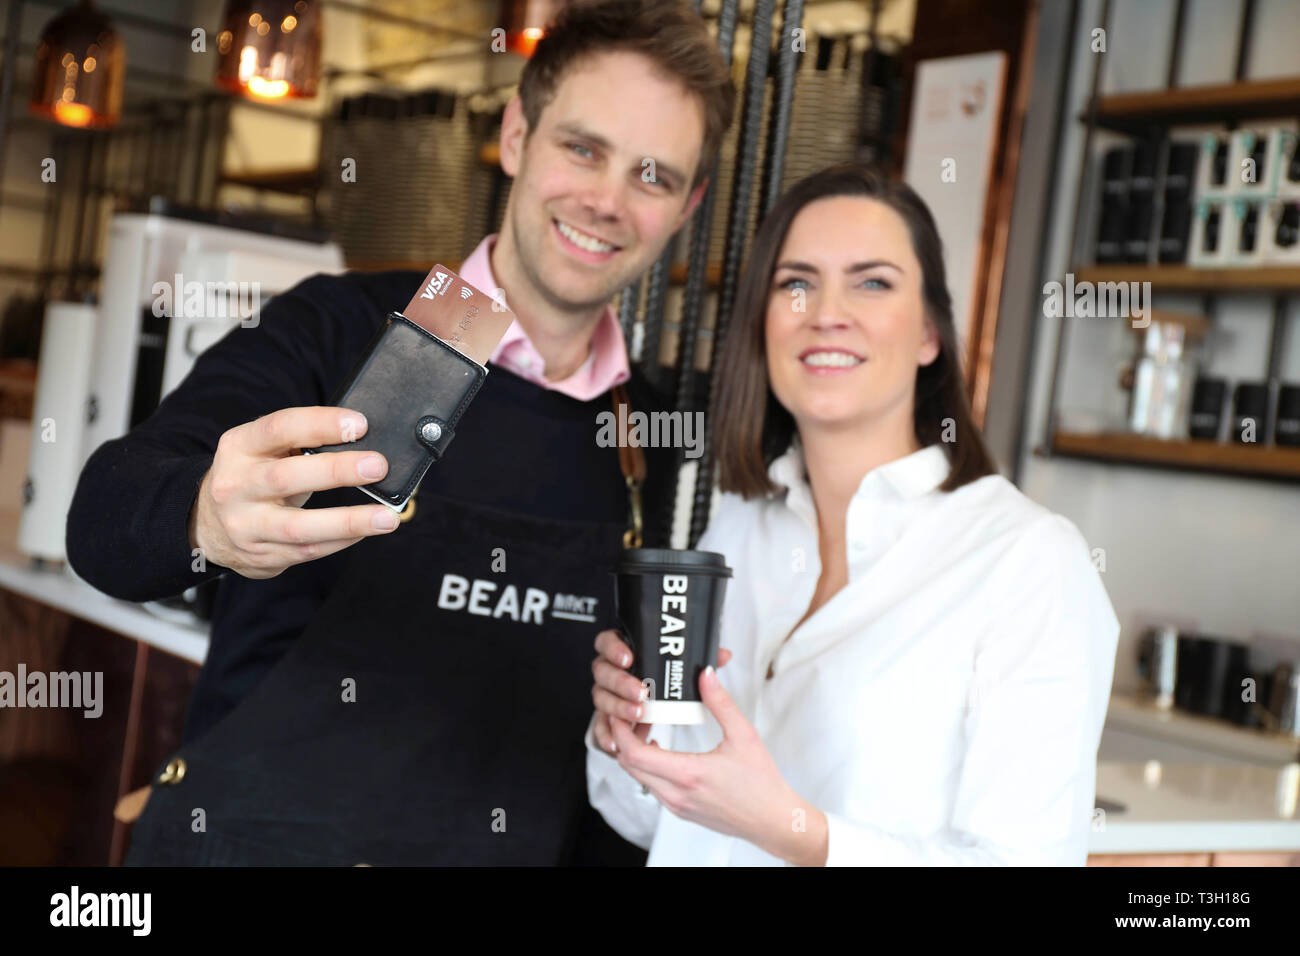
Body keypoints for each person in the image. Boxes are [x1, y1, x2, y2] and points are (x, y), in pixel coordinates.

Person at [65, 0, 735, 866]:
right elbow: (104, 522)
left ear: (689, 206)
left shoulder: (660, 435)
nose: (607, 200)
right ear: (517, 135)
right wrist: (201, 516)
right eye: (583, 147)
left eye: (653, 174)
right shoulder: (341, 330)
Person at [585, 163, 1120, 866]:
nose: (826, 312)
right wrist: (626, 736)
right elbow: (655, 825)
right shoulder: (738, 528)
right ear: (763, 325)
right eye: (795, 283)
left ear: (930, 333)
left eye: (872, 281)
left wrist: (792, 829)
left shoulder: (1028, 561)